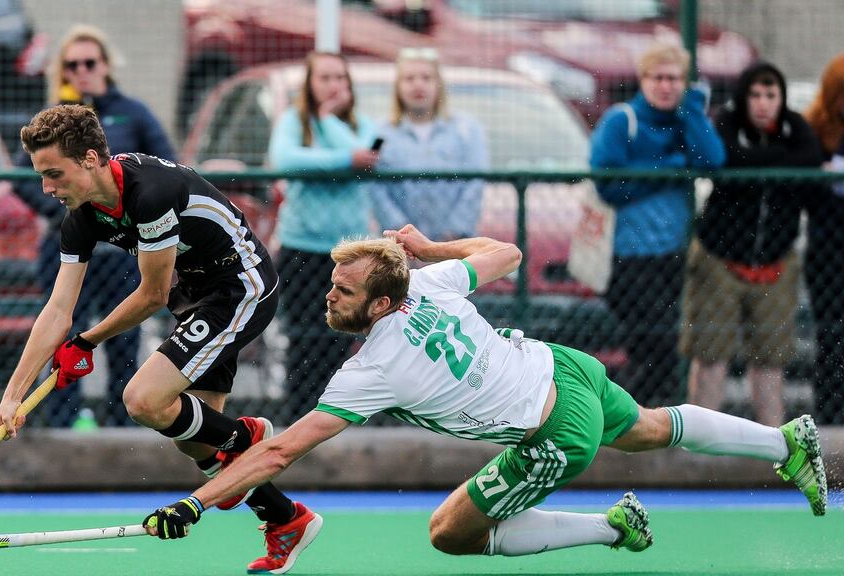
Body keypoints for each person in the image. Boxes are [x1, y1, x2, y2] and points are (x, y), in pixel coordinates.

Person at [141, 225, 827, 572]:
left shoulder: (369, 371)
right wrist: (430, 248)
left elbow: (282, 449)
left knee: (449, 534)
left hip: (554, 427)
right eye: (332, 284)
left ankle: (612, 525)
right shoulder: (430, 285)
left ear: (382, 302)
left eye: (344, 291)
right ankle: (784, 442)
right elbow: (508, 252)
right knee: (649, 427)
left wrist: (195, 502)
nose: (329, 295)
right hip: (564, 367)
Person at [0, 104, 311, 571]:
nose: (47, 189)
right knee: (198, 444)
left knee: (142, 399)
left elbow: (153, 294)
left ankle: (245, 436)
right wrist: (11, 397)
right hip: (196, 295)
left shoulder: (149, 193)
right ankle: (287, 519)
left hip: (240, 288)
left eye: (55, 174)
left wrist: (87, 341)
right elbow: (57, 309)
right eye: (41, 176)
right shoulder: (81, 216)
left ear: (92, 158)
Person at [11, 24, 177, 427]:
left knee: (124, 340)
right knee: (62, 340)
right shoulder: (51, 120)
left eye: (90, 62)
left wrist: (128, 215)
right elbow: (22, 177)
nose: (82, 70)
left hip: (125, 251)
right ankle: (64, 428)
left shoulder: (132, 111)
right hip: (72, 243)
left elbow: (168, 165)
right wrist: (68, 212)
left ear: (105, 65)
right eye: (72, 64)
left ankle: (123, 429)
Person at [682, 62, 823, 426]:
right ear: (744, 98)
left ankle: (772, 446)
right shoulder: (727, 123)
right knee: (711, 356)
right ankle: (700, 441)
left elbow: (811, 158)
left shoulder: (796, 128)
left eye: (770, 95)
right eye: (755, 95)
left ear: (781, 98)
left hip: (776, 263)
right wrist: (779, 162)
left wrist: (771, 161)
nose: (763, 103)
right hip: (720, 261)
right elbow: (727, 158)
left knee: (770, 359)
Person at [590, 41, 725, 407]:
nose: (666, 86)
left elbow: (712, 160)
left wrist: (695, 110)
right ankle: (626, 414)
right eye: (658, 77)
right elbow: (609, 184)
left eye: (675, 78)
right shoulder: (622, 121)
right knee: (654, 342)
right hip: (627, 256)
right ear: (643, 79)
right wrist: (670, 169)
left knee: (661, 346)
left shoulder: (684, 123)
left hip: (672, 253)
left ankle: (644, 420)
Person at [268, 51, 379, 422]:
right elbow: (285, 160)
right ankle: (297, 416)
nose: (334, 86)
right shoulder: (292, 122)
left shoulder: (362, 124)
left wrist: (329, 123)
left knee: (342, 338)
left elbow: (370, 155)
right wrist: (345, 160)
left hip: (349, 254)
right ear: (309, 85)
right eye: (325, 78)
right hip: (302, 248)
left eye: (340, 78)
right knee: (303, 337)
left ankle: (335, 417)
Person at [368, 47, 487, 241]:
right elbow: (373, 184)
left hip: (453, 244)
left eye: (426, 77)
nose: (418, 85)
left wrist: (453, 233)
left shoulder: (467, 130)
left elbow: (475, 185)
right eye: (409, 78)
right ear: (397, 86)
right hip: (399, 247)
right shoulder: (377, 133)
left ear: (438, 84)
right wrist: (399, 231)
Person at [804, 52, 844, 425]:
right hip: (828, 251)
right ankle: (829, 417)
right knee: (830, 336)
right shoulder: (816, 129)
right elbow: (809, 190)